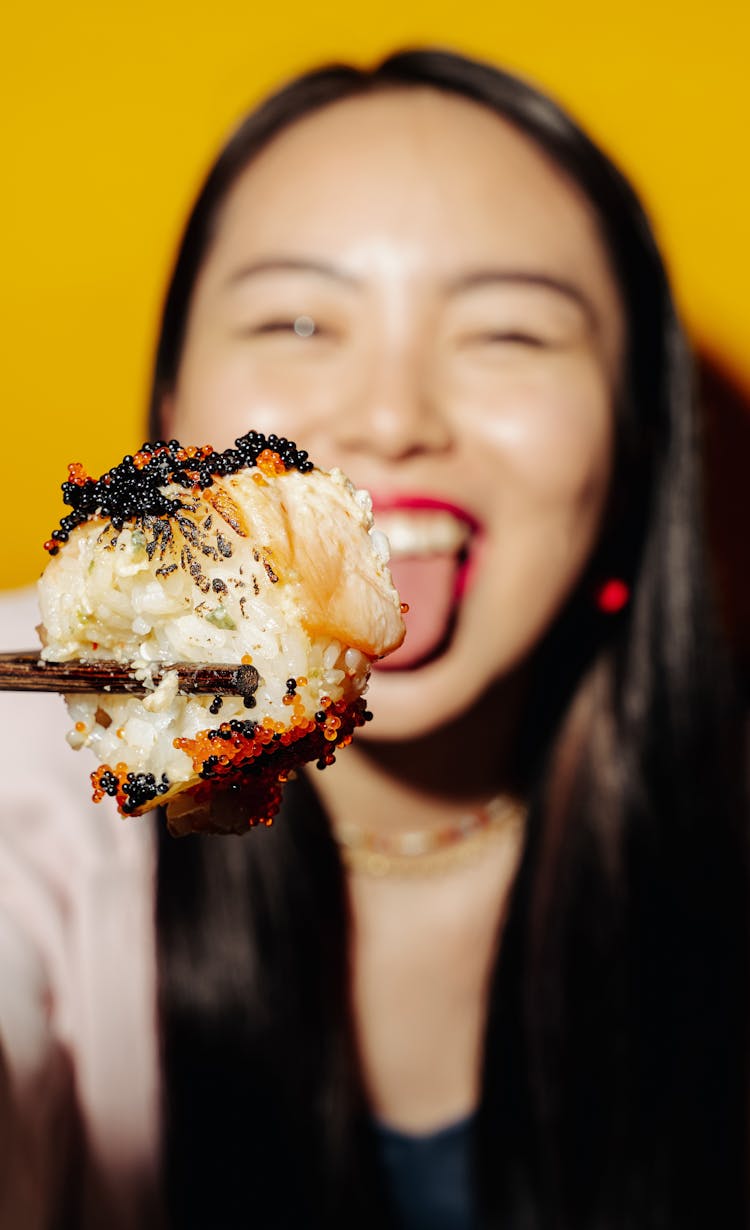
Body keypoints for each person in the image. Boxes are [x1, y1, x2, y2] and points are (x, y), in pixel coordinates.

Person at [0, 47, 746, 1230]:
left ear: (638, 442)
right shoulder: (36, 769)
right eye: (299, 320)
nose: (394, 418)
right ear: (171, 416)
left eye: (509, 334)